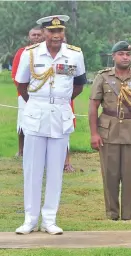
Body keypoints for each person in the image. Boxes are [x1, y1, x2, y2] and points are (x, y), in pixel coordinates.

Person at [14, 15, 86, 234]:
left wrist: (60, 101)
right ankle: (30, 219)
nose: (56, 36)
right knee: (32, 169)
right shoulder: (31, 54)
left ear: (63, 33)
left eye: (60, 32)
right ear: (44, 33)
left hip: (61, 115)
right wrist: (39, 104)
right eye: (52, 32)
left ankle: (50, 219)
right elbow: (21, 84)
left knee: (56, 170)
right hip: (36, 112)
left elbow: (79, 84)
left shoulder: (74, 54)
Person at [88, 41, 131, 220]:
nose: (125, 57)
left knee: (130, 176)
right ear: (113, 56)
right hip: (108, 131)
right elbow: (93, 106)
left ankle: (128, 214)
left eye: (128, 54)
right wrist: (94, 134)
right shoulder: (102, 77)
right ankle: (112, 213)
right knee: (110, 175)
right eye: (121, 54)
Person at [12, 26, 44, 158]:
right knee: (23, 122)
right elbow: (15, 74)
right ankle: (21, 150)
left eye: (38, 35)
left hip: (43, 95)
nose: (36, 37)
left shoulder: (48, 52)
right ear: (29, 37)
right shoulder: (22, 52)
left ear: (43, 35)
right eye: (33, 35)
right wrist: (25, 91)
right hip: (25, 94)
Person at [62, 35, 77, 173]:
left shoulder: (72, 58)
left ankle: (66, 162)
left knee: (65, 132)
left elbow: (76, 80)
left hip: (64, 102)